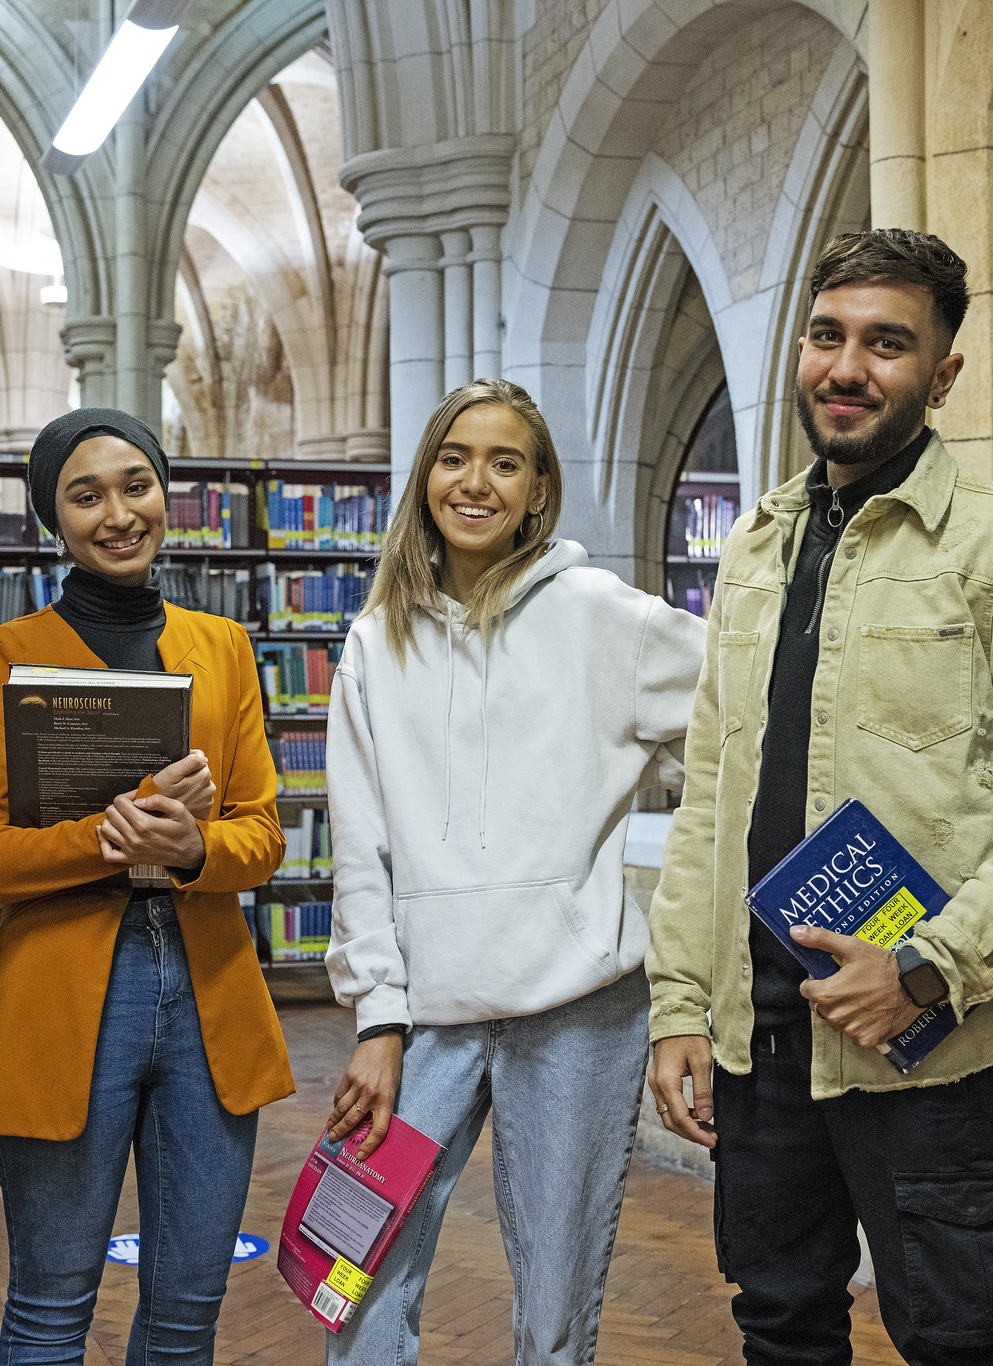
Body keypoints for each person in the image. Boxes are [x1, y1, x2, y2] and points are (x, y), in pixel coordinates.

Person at [644, 229, 993, 1366]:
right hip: (758, 1045)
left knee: (958, 1340)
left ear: (941, 373)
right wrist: (680, 1000)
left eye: (885, 343)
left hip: (917, 1047)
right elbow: (709, 792)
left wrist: (923, 965)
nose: (846, 367)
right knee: (779, 1327)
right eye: (827, 336)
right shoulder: (756, 549)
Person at [321, 379, 707, 1365]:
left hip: (576, 1009)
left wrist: (653, 776)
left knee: (552, 1311)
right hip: (420, 1022)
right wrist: (375, 1016)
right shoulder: (373, 644)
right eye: (454, 457)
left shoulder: (596, 616)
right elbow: (358, 849)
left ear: (538, 491)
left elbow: (738, 713)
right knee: (354, 1281)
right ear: (425, 477)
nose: (474, 481)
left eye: (504, 462)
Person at [0, 408, 294, 1365]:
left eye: (136, 485)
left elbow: (263, 836)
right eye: (86, 494)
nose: (118, 513)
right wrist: (106, 835)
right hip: (64, 998)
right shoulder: (9, 653)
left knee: (189, 1318)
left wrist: (192, 849)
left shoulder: (224, 647)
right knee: (50, 1312)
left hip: (209, 994)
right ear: (52, 518)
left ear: (166, 494)